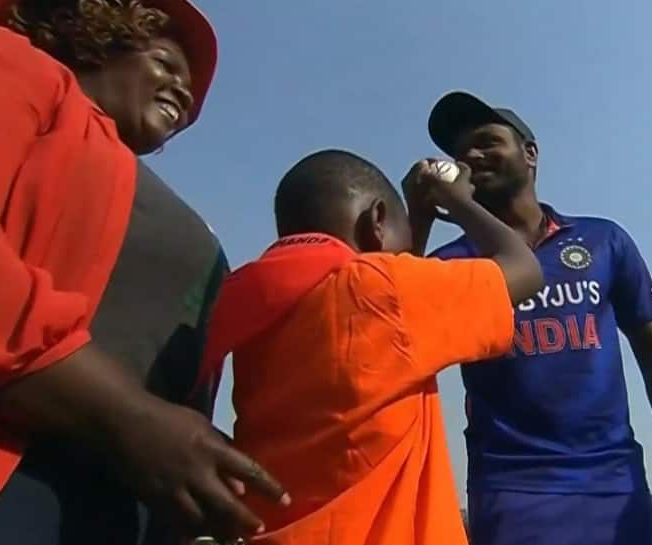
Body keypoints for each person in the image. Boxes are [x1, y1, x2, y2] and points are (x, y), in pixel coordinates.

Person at [0, 3, 288, 545]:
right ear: (98, 33)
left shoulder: (132, 184)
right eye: (165, 62)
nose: (185, 94)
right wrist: (126, 417)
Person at [193, 149, 544, 544]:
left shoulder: (260, 303)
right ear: (376, 220)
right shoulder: (381, 291)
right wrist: (457, 199)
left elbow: (393, 322)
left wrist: (417, 216)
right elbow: (525, 269)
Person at [423, 91, 652, 545]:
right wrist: (420, 217)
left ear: (530, 153)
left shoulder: (602, 239)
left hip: (615, 483)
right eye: (460, 154)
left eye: (487, 141)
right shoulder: (451, 263)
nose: (472, 156)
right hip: (512, 489)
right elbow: (387, 332)